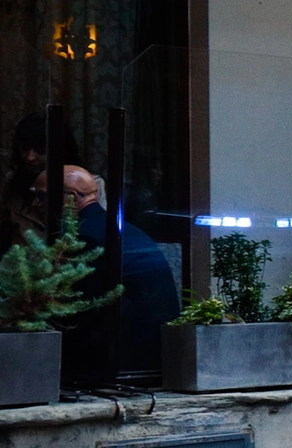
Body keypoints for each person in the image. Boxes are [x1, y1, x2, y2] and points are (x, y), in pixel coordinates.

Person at [33, 165, 180, 378]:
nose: (36, 204)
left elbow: (74, 310)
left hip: (117, 363)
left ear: (72, 198)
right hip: (149, 358)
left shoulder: (84, 237)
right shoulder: (120, 230)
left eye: (41, 196)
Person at [2, 112, 85, 252]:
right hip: (22, 269)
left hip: (69, 269)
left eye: (40, 150)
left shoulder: (87, 185)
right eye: (25, 148)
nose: (30, 157)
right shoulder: (12, 184)